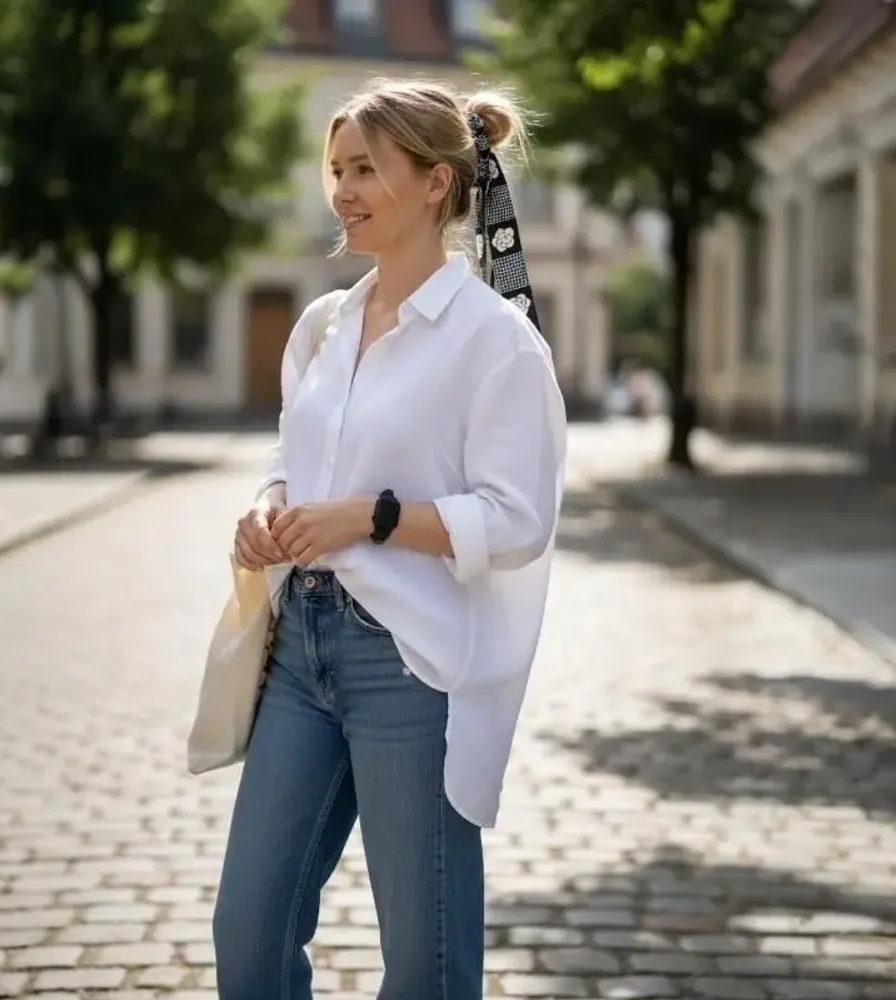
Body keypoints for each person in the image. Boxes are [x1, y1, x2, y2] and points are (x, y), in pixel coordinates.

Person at [213, 77, 568, 1000]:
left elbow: (519, 518)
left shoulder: (497, 343)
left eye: (366, 169)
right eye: (335, 170)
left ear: (438, 183)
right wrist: (270, 508)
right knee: (247, 935)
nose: (342, 191)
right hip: (300, 652)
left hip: (411, 667)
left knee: (426, 963)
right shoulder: (321, 325)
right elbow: (299, 464)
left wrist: (370, 516)